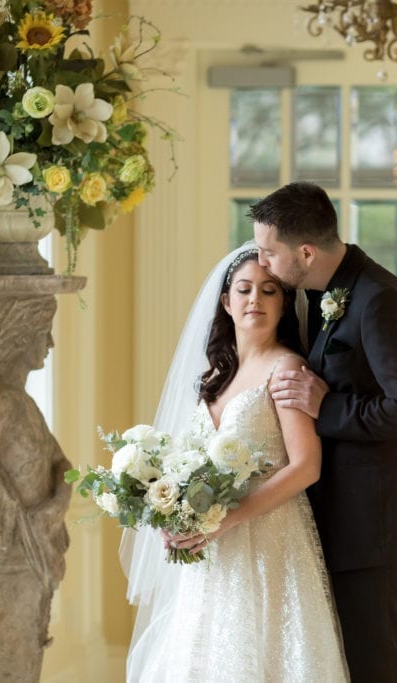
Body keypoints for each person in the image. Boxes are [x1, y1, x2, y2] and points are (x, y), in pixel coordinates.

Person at [122, 244, 348, 682]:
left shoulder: (286, 369)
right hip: (214, 550)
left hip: (270, 540)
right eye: (244, 290)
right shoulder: (214, 375)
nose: (254, 300)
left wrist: (231, 516)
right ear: (226, 302)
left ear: (284, 305)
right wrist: (178, 512)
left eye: (268, 291)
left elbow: (306, 466)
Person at [253, 181, 397, 683]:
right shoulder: (323, 293)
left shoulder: (380, 300)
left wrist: (326, 406)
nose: (263, 263)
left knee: (376, 668)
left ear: (306, 251)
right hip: (343, 524)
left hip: (377, 529)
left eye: (269, 252)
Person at [0, 296, 72, 681]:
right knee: (8, 668)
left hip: (32, 550)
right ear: (20, 332)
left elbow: (62, 465)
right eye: (44, 332)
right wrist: (3, 537)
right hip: (2, 559)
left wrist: (54, 508)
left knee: (27, 662)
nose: (50, 343)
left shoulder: (24, 402)